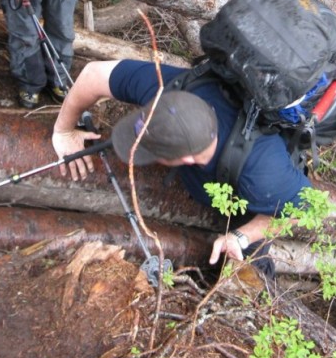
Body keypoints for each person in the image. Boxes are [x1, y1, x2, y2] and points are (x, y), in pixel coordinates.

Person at [51, 59, 314, 275]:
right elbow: (94, 74)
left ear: (188, 160)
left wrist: (241, 237)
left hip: (252, 184)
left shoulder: (262, 173)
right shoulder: (163, 88)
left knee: (249, 266)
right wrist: (63, 130)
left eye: (152, 152)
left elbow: (304, 208)